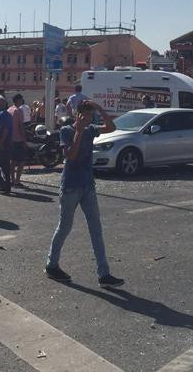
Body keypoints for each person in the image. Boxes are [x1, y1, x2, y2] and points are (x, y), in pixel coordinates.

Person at [45, 100, 124, 288]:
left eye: (90, 116)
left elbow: (111, 127)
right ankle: (51, 265)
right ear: (77, 115)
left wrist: (98, 107)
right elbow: (70, 156)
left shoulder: (91, 129)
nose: (89, 119)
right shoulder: (67, 131)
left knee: (96, 229)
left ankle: (104, 274)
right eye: (86, 116)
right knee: (64, 227)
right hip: (71, 186)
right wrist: (79, 132)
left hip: (88, 186)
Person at [8, 94, 27, 188]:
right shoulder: (18, 110)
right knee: (21, 161)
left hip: (11, 139)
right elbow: (21, 126)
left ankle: (12, 179)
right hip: (18, 139)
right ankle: (17, 180)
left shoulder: (9, 110)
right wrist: (24, 139)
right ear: (18, 100)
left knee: (12, 161)